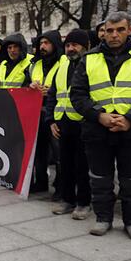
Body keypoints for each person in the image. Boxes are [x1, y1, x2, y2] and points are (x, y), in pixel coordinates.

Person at [70, 11, 131, 241]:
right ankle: (103, 218)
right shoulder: (90, 57)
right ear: (103, 32)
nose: (114, 35)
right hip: (97, 128)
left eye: (120, 30)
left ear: (129, 30)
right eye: (109, 31)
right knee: (100, 178)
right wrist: (98, 115)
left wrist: (130, 118)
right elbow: (78, 94)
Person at [44, 29, 92, 219]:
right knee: (65, 165)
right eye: (68, 45)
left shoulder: (90, 64)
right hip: (63, 122)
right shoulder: (62, 65)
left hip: (83, 122)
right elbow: (53, 95)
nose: (71, 49)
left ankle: (83, 202)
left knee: (82, 166)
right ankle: (67, 199)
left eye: (75, 45)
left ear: (85, 47)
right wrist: (52, 120)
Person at [28, 30, 64, 194]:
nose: (42, 46)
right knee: (39, 151)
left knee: (58, 153)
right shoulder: (35, 64)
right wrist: (31, 87)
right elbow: (25, 83)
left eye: (46, 43)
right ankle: (41, 181)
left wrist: (51, 91)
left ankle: (60, 186)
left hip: (57, 113)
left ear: (55, 44)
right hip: (38, 112)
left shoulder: (64, 62)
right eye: (41, 43)